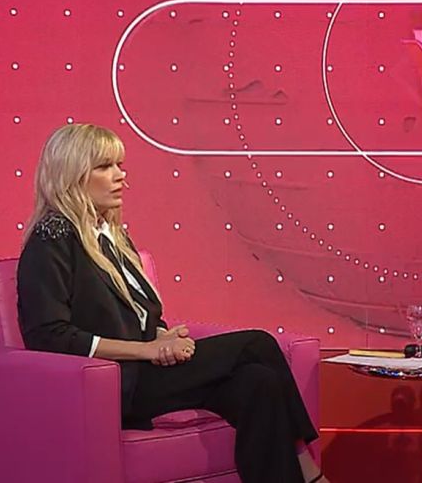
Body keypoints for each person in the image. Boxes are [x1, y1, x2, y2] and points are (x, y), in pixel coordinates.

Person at [17, 123, 327, 483]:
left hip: (147, 371)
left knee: (259, 383)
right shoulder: (51, 239)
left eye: (119, 165)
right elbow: (49, 335)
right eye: (105, 167)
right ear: (71, 175)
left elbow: (142, 316)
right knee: (257, 343)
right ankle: (309, 469)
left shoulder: (112, 235)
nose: (120, 176)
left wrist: (163, 338)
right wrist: (146, 350)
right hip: (114, 384)